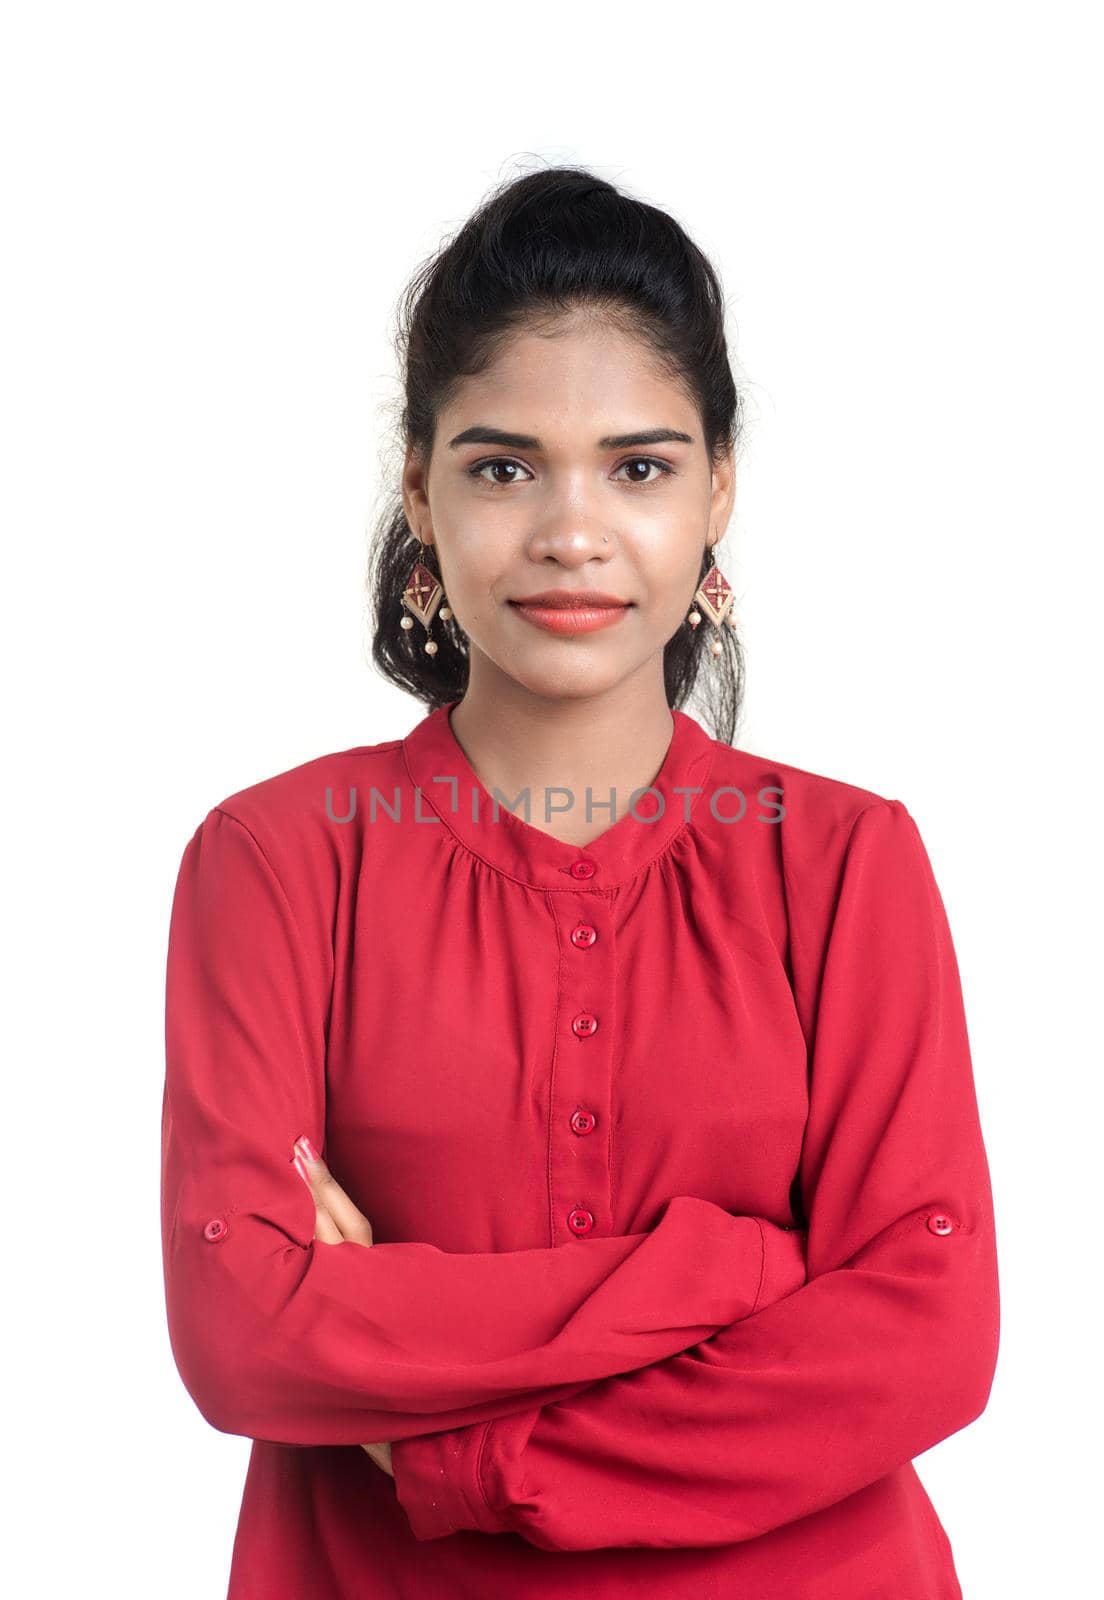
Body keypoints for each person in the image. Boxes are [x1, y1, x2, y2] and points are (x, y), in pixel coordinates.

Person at [161, 164, 999, 1599]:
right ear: (418, 491)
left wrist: (449, 1448)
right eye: (501, 467)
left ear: (718, 491)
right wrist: (731, 1274)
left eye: (640, 466)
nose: (571, 530)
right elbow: (242, 1334)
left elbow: (927, 1336)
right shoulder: (278, 861)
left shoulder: (848, 863)